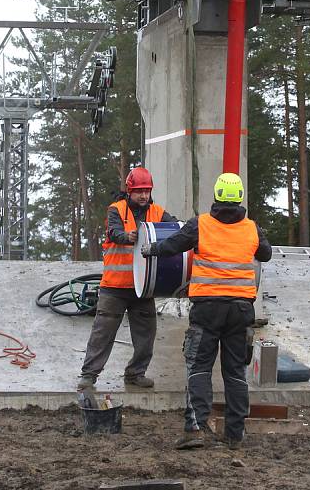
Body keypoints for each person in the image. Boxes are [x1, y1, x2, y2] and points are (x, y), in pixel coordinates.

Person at [141, 172, 272, 450]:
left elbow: (172, 246)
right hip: (240, 311)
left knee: (199, 367)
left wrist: (149, 248)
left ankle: (196, 429)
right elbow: (266, 254)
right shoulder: (251, 228)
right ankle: (235, 435)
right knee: (236, 371)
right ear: (239, 198)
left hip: (208, 309)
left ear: (216, 196)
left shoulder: (200, 225)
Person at [77, 166, 177, 391]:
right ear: (130, 190)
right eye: (139, 191)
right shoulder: (117, 210)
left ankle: (135, 374)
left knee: (146, 336)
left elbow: (175, 229)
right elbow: (113, 233)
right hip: (115, 287)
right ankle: (89, 376)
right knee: (102, 334)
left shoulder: (158, 212)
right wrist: (128, 236)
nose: (144, 195)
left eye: (147, 191)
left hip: (144, 287)